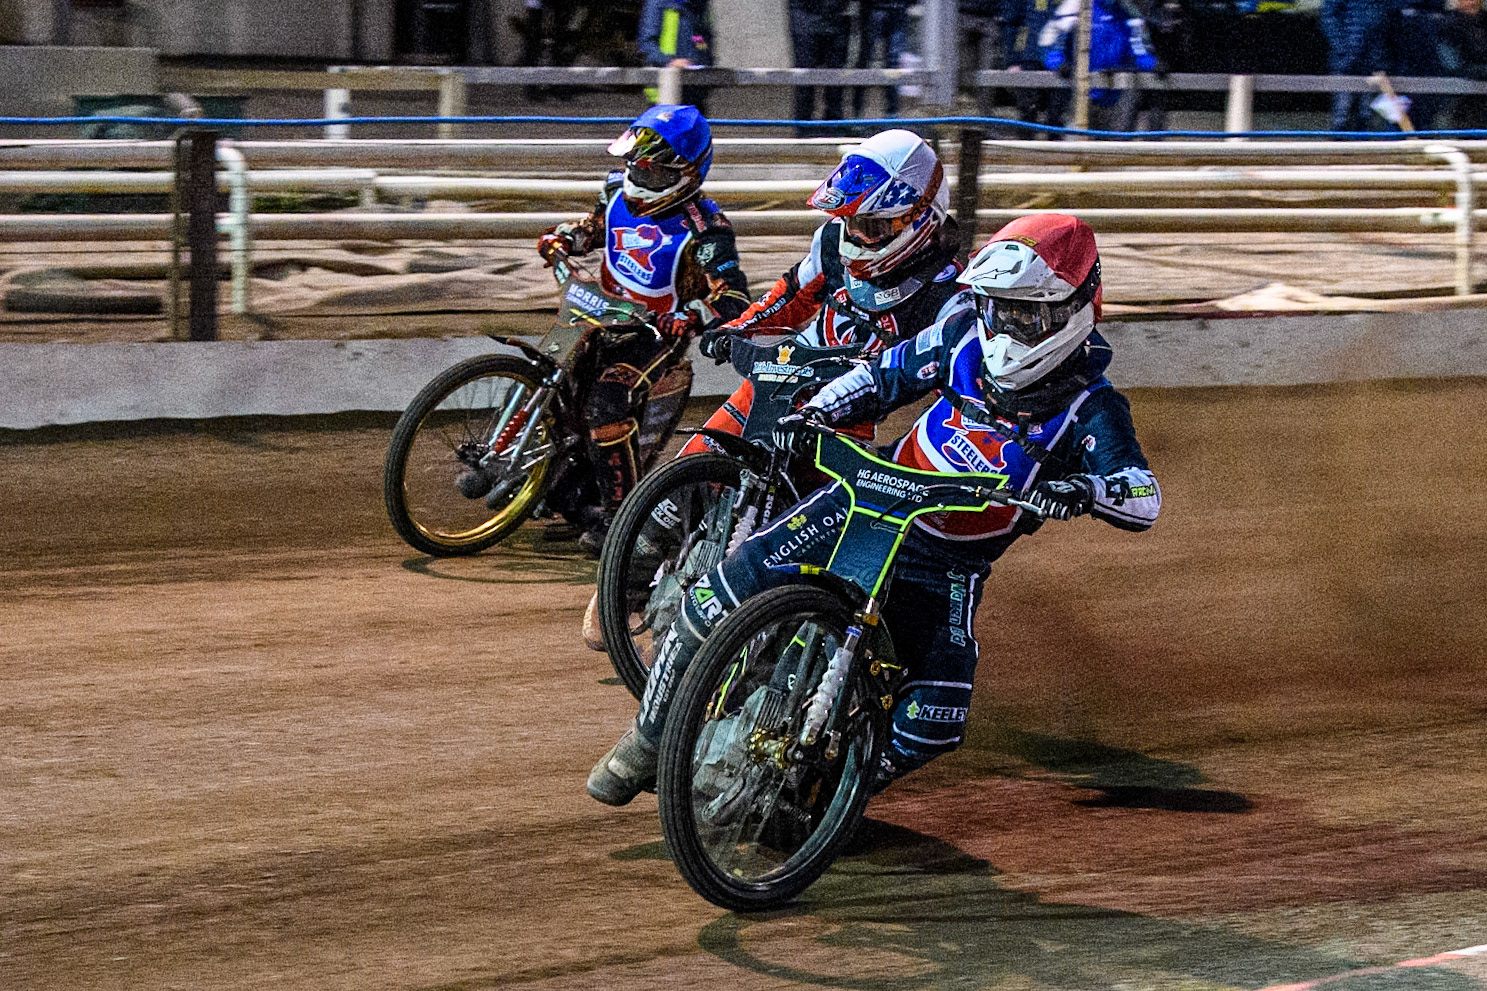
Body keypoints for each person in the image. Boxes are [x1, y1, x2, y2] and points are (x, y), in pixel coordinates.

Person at [587, 213, 1163, 806]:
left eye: (1024, 313)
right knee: (709, 600)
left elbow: (1142, 494)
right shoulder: (964, 335)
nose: (1005, 327)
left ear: (1074, 309)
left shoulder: (1093, 407)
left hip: (943, 565)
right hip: (863, 501)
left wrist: (1087, 492)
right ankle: (645, 742)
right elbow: (882, 376)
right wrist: (812, 412)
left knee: (934, 720)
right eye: (996, 307)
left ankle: (838, 793)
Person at [578, 128, 966, 651]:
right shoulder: (833, 241)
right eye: (850, 218)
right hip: (784, 380)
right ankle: (622, 590)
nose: (857, 233)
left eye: (872, 224)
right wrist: (738, 329)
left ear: (920, 218)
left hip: (847, 423)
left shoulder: (950, 293)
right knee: (681, 480)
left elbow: (955, 381)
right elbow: (792, 294)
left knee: (816, 548)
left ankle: (790, 646)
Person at [536, 104, 751, 555]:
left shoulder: (707, 228)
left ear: (686, 173)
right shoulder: (615, 189)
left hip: (654, 339)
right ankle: (538, 474)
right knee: (554, 383)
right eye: (633, 163)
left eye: (650, 171)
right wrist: (566, 238)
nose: (637, 177)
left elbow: (732, 298)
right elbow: (595, 229)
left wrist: (690, 315)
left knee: (607, 404)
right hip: (600, 314)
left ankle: (623, 522)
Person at [1039, 0, 1162, 132]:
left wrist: (1153, 64)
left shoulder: (1128, 12)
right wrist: (1058, 64)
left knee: (1115, 146)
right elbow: (1051, 43)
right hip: (1079, 94)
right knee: (1077, 144)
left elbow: (1140, 50)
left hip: (1116, 95)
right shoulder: (1074, 6)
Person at [1320, 0, 1390, 131]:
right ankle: (1339, 144)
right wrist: (1343, 48)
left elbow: (1382, 20)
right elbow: (1329, 19)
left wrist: (1378, 52)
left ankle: (1363, 144)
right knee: (1342, 108)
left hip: (1370, 58)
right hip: (1345, 59)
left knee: (1365, 110)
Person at [638, 0, 716, 113]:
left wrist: (702, 60)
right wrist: (669, 61)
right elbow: (647, 44)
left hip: (695, 94)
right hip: (663, 94)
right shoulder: (658, 3)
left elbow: (700, 38)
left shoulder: (700, 5)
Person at [789, 0, 851, 135]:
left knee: (836, 75)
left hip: (836, 19)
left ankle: (833, 122)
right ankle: (803, 124)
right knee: (806, 74)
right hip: (805, 19)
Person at [851, 0, 914, 120]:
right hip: (872, 9)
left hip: (898, 10)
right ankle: (857, 114)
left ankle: (892, 114)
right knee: (865, 60)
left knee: (893, 62)